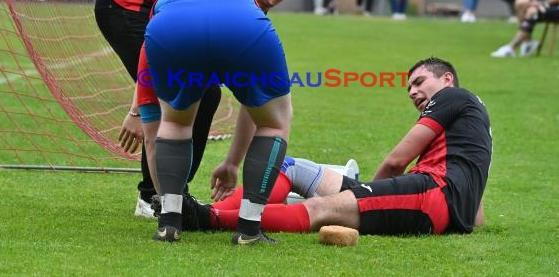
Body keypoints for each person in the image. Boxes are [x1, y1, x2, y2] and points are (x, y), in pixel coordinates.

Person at [94, 0, 306, 218]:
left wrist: (232, 162)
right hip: (125, 1)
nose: (273, 0)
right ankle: (154, 199)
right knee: (176, 98)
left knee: (206, 94)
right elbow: (156, 40)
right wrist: (138, 108)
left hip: (164, 4)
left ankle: (176, 196)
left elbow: (255, 90)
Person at [182, 58, 492, 236]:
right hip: (436, 200)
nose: (412, 91)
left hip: (431, 195)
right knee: (288, 166)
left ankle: (210, 219)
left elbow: (397, 161)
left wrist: (362, 193)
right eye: (409, 86)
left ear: (447, 79)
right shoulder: (476, 125)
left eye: (420, 82)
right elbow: (476, 209)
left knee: (321, 209)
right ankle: (206, 212)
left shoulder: (453, 97)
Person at [144, 0, 296, 244]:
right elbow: (252, 108)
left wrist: (138, 111)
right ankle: (248, 229)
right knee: (274, 124)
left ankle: (169, 224)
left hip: (170, 29)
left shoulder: (162, 10)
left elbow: (146, 91)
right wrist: (232, 162)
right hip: (241, 25)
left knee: (175, 122)